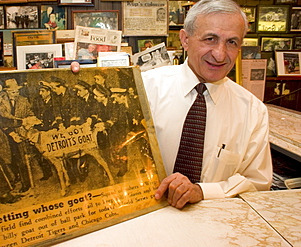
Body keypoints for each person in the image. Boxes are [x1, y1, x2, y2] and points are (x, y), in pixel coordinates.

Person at [71, 0, 273, 209]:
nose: (220, 54)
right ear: (185, 39)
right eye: (210, 39)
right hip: (139, 220)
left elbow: (258, 183)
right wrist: (72, 84)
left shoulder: (253, 112)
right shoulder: (144, 89)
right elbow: (102, 137)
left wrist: (202, 191)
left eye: (231, 42)